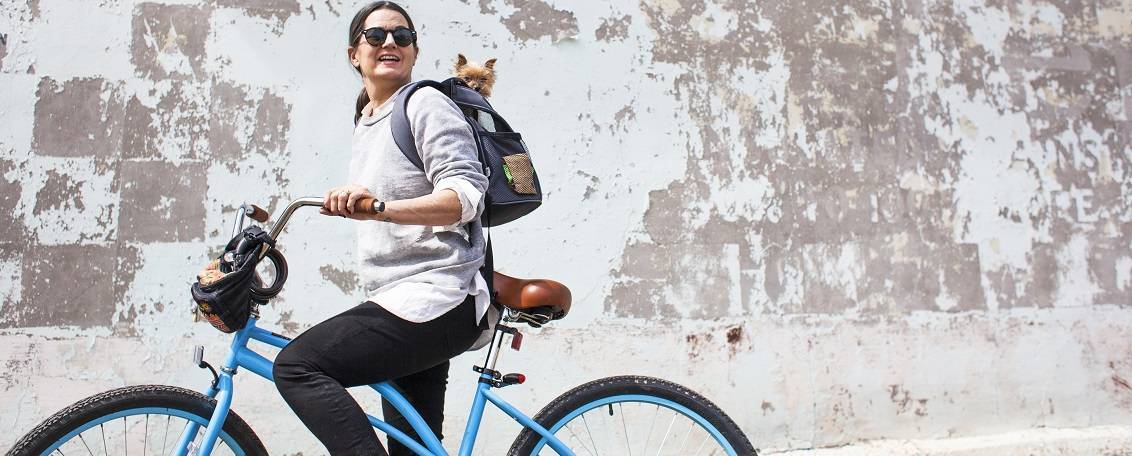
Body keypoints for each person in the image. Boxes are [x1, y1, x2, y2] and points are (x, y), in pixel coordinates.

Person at [272, 2, 490, 454]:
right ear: (354, 54)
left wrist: (382, 209)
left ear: (414, 51)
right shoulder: (368, 118)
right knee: (412, 449)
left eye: (401, 36)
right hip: (400, 299)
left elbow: (465, 197)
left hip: (437, 295)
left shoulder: (426, 104)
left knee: (297, 367)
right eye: (376, 36)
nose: (390, 42)